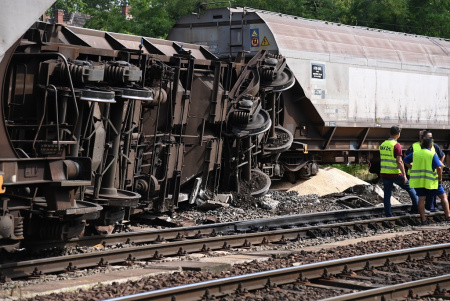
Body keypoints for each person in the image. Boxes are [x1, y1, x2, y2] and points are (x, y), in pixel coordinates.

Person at [404, 137, 450, 225]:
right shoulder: (432, 154)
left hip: (420, 181)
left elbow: (405, 160)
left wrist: (411, 167)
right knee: (443, 197)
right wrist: (440, 179)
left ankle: (423, 220)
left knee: (421, 199)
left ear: (421, 144)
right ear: (431, 145)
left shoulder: (415, 153)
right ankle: (448, 216)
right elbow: (439, 168)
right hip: (432, 181)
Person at [379, 125, 418, 217]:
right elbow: (399, 161)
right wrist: (404, 174)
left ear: (390, 133)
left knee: (387, 194)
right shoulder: (396, 145)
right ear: (398, 134)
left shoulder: (383, 144)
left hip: (384, 173)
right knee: (410, 188)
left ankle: (388, 214)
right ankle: (416, 209)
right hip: (395, 174)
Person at [405, 130, 446, 211]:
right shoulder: (415, 146)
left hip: (430, 176)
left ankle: (429, 209)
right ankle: (423, 210)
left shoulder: (434, 146)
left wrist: (439, 163)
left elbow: (442, 156)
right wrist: (410, 166)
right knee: (422, 196)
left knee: (428, 195)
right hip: (419, 176)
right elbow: (406, 157)